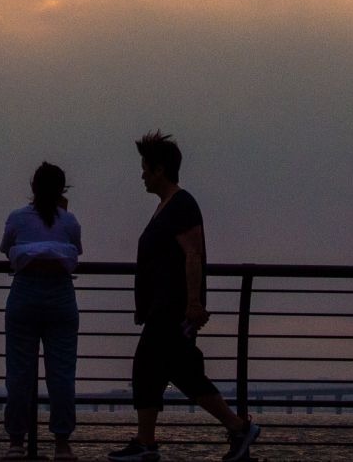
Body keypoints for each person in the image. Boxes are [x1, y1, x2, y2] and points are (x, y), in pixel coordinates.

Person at [108, 132, 259, 462]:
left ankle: (149, 443)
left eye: (146, 167)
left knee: (154, 368)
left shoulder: (182, 204)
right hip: (162, 306)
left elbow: (194, 254)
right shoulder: (166, 207)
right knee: (177, 371)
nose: (142, 174)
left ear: (160, 170)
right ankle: (234, 428)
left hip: (173, 307)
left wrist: (193, 303)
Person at [0, 162, 83, 459]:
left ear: (32, 188)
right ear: (62, 190)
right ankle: (62, 443)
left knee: (19, 373)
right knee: (62, 374)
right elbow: (77, 248)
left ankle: (16, 442)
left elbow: (4, 248)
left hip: (25, 295)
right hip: (60, 296)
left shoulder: (18, 218)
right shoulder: (68, 220)